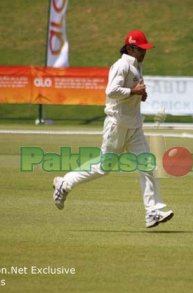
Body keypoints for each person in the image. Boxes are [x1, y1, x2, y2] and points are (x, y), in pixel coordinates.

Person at [52, 30, 174, 228]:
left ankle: (152, 212)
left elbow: (128, 92)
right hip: (117, 124)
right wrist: (134, 91)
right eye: (141, 49)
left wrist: (138, 95)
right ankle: (65, 183)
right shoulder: (121, 65)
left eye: (145, 49)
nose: (144, 52)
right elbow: (111, 91)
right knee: (103, 168)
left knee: (147, 166)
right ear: (130, 48)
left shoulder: (136, 66)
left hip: (134, 125)